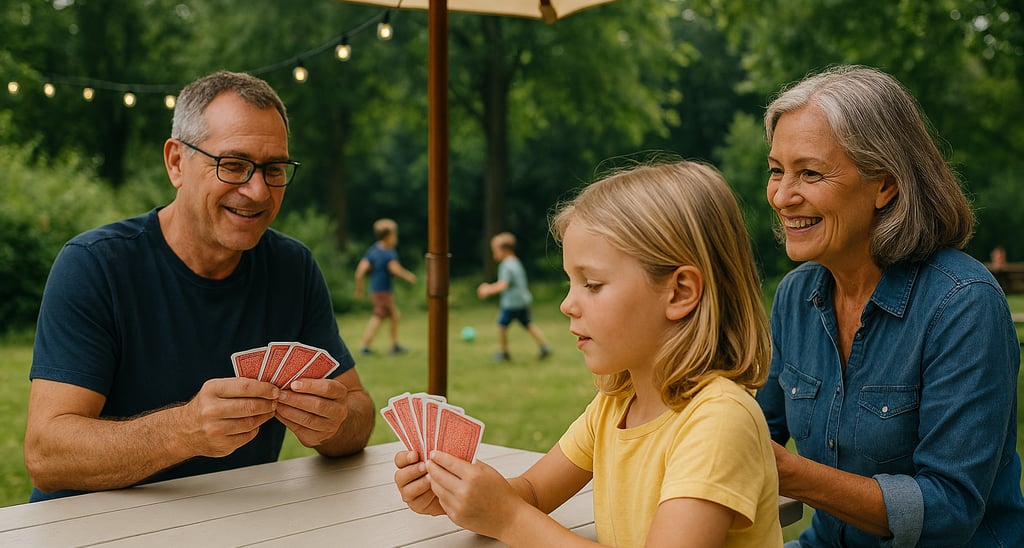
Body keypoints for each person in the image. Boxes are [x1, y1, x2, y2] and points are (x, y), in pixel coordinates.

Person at [23, 71, 375, 502]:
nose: (258, 191)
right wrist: (184, 431)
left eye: (274, 169)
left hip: (236, 523)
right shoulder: (94, 264)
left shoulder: (293, 267)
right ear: (176, 162)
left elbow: (358, 411)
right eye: (234, 165)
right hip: (91, 527)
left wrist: (334, 422)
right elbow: (46, 454)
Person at [394, 161, 783, 547]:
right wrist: (460, 495)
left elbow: (518, 513)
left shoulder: (718, 420)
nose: (567, 304)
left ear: (680, 292)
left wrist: (509, 518)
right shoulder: (615, 405)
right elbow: (532, 492)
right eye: (570, 282)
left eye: (592, 284)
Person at [758, 64, 1024, 547]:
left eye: (810, 173)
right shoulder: (797, 295)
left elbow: (949, 508)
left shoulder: (962, 304)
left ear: (885, 185)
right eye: (777, 170)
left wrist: (792, 473)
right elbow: (756, 428)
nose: (781, 196)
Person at [476, 232, 551, 362]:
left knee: (501, 325)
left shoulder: (506, 265)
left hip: (512, 303)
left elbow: (503, 285)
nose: (494, 254)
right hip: (522, 300)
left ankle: (505, 352)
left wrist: (488, 289)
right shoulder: (515, 262)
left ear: (504, 250)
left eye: (495, 250)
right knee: (528, 324)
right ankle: (544, 346)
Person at [353, 218, 417, 355]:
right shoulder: (388, 252)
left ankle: (393, 345)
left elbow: (360, 272)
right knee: (379, 317)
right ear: (389, 236)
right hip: (384, 291)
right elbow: (394, 269)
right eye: (395, 234)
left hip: (376, 290)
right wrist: (408, 276)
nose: (396, 238)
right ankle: (366, 346)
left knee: (393, 316)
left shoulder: (373, 250)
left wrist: (359, 289)